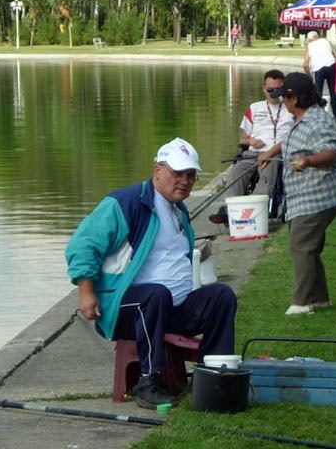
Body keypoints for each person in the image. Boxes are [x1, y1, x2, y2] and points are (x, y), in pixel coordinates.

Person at [65, 138, 238, 409]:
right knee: (155, 294)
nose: (185, 181)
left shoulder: (178, 209)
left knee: (221, 296)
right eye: (177, 173)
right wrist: (86, 292)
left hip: (170, 309)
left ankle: (212, 374)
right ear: (157, 170)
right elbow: (83, 245)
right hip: (122, 308)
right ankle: (149, 382)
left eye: (191, 176)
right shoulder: (125, 202)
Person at [265, 73, 336, 315]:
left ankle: (300, 303)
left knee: (300, 247)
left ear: (296, 98)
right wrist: (269, 153)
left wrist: (308, 160)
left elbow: (332, 153)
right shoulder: (300, 117)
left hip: (317, 196)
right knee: (310, 247)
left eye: (285, 97)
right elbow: (289, 140)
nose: (283, 102)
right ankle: (320, 298)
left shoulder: (318, 122)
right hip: (302, 196)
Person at [208, 70, 294, 225]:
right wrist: (251, 141)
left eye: (277, 90)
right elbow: (243, 138)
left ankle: (251, 208)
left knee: (270, 167)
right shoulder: (254, 108)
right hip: (253, 154)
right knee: (237, 170)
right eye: (270, 90)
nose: (273, 93)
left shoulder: (290, 109)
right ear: (263, 89)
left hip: (275, 155)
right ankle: (231, 209)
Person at [303, 30, 336, 116]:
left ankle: (318, 114)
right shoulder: (327, 41)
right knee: (334, 92)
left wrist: (310, 77)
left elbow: (305, 65)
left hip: (318, 69)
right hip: (331, 65)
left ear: (309, 40)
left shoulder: (310, 46)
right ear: (317, 37)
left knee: (317, 94)